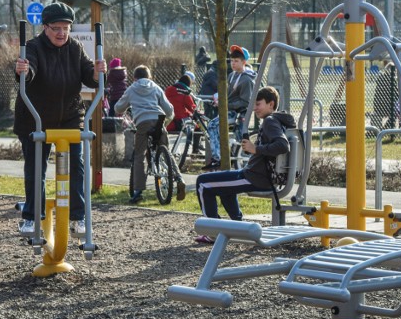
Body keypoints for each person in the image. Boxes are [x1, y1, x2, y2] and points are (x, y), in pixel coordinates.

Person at [14, 1, 106, 236]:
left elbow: (89, 76)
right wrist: (24, 70)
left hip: (69, 116)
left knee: (76, 164)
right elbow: (30, 72)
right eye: (56, 28)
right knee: (36, 168)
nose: (61, 33)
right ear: (45, 27)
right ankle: (32, 217)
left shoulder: (74, 48)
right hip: (36, 118)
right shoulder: (34, 47)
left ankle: (78, 216)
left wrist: (96, 72)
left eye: (65, 27)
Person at [194, 86, 295, 243]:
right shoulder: (278, 121)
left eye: (258, 104)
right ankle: (238, 226)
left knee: (203, 183)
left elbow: (282, 145)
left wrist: (255, 148)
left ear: (271, 104)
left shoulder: (270, 121)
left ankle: (212, 232)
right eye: (253, 105)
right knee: (224, 186)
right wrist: (254, 149)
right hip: (259, 176)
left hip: (256, 177)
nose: (255, 108)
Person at [114, 65, 187, 203]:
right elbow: (169, 110)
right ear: (150, 77)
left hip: (142, 122)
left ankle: (138, 191)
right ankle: (179, 178)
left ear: (135, 78)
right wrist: (165, 123)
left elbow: (118, 107)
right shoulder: (156, 87)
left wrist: (123, 110)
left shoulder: (132, 89)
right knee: (166, 151)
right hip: (159, 120)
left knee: (139, 154)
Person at [202, 45, 257, 170]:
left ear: (244, 62)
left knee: (212, 125)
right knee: (236, 139)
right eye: (231, 61)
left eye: (236, 61)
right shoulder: (232, 75)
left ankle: (218, 158)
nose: (233, 63)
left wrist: (225, 105)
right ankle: (224, 155)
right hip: (229, 110)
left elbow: (245, 102)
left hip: (237, 113)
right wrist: (219, 99)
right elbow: (229, 94)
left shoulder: (247, 80)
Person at [371, 60, 398, 130]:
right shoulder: (393, 79)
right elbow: (397, 95)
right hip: (389, 107)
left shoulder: (380, 77)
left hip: (377, 105)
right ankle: (389, 127)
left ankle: (384, 127)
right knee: (398, 107)